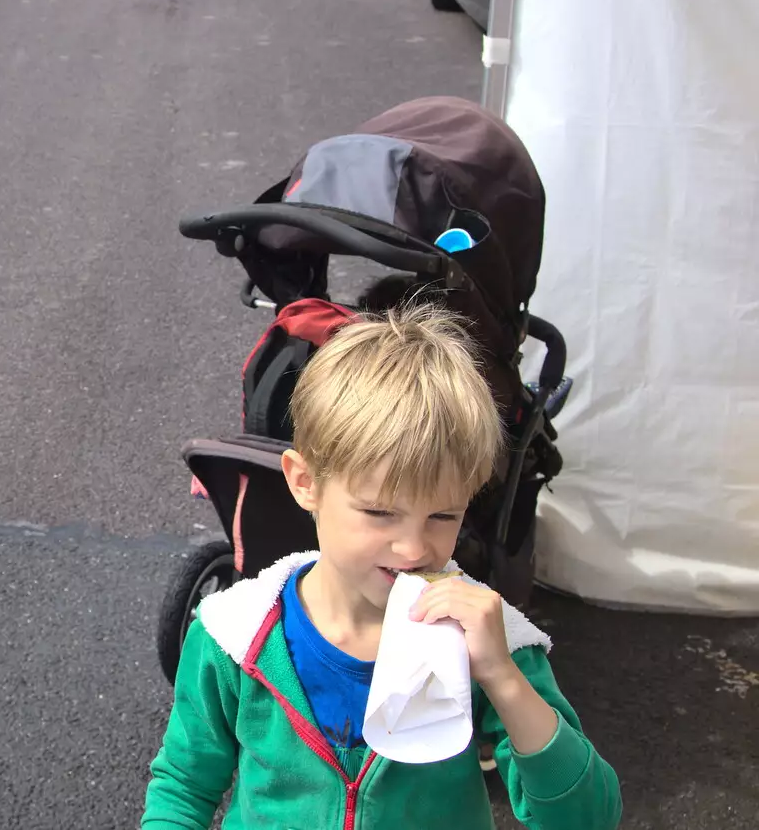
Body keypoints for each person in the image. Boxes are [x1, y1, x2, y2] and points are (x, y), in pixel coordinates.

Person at [141, 304, 622, 830]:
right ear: (305, 482)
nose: (414, 549)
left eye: (443, 514)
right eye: (379, 512)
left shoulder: (486, 639)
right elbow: (184, 786)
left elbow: (586, 817)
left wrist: (502, 677)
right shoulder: (235, 634)